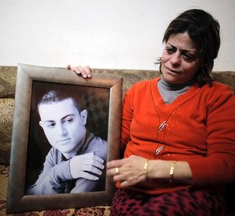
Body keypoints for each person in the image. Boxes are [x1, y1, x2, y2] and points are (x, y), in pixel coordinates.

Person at [68, 9, 235, 215]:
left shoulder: (218, 96)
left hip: (192, 192)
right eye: (170, 49)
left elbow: (225, 166)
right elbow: (109, 143)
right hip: (134, 192)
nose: (174, 60)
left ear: (204, 61)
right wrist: (75, 87)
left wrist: (150, 169)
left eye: (187, 56)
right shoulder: (138, 92)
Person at [27, 89, 107, 195]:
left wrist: (57, 174)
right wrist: (63, 171)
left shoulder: (100, 154)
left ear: (83, 117)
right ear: (43, 127)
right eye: (51, 124)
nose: (61, 133)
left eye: (68, 120)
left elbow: (71, 204)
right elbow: (32, 194)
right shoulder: (55, 152)